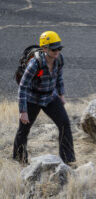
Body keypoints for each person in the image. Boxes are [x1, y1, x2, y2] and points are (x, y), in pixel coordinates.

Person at [13, 31, 76, 165]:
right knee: (23, 131)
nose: (57, 51)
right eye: (54, 48)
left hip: (50, 98)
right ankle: (20, 161)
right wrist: (23, 111)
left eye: (59, 48)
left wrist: (61, 95)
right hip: (32, 99)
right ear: (45, 48)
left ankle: (68, 160)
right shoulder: (34, 64)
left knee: (64, 124)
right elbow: (23, 87)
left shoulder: (59, 59)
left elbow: (59, 77)